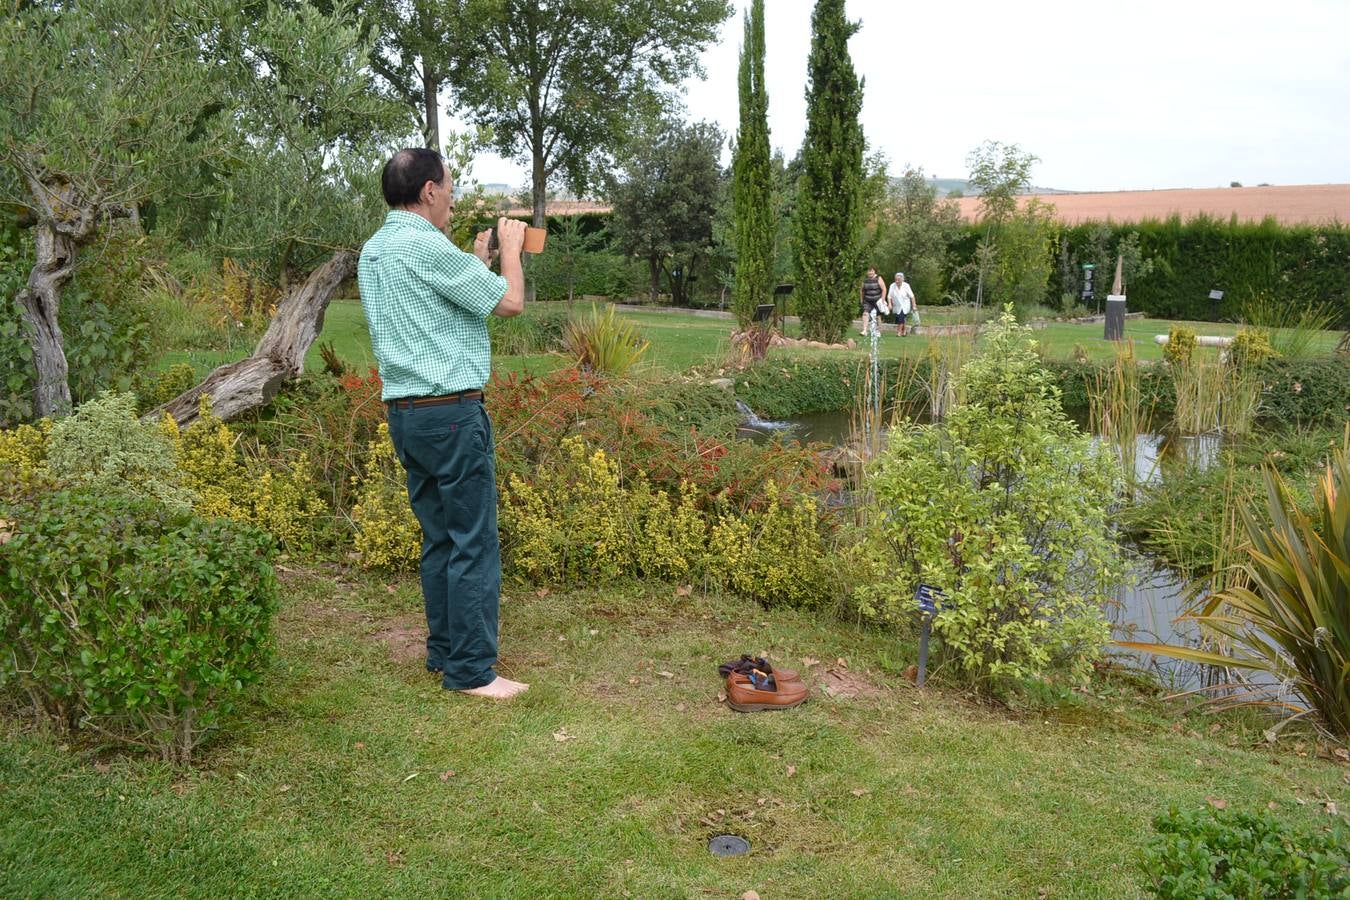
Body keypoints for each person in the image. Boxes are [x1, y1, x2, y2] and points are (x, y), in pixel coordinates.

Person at [358, 148, 530, 701]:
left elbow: (437, 310)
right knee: (473, 542)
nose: (453, 199)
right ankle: (473, 671)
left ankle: (444, 653)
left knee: (439, 539)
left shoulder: (376, 249)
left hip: (406, 416)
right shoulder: (425, 243)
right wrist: (510, 253)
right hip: (453, 415)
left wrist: (474, 261)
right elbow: (509, 304)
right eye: (450, 188)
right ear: (429, 190)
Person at [859, 266, 886, 335]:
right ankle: (865, 330)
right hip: (867, 300)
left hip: (877, 300)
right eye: (869, 271)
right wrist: (861, 300)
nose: (870, 272)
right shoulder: (865, 280)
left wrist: (882, 300)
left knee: (878, 316)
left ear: (874, 271)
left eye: (872, 271)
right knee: (865, 313)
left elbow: (884, 289)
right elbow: (862, 291)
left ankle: (878, 331)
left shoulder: (878, 278)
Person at [889, 272, 917, 336]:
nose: (897, 281)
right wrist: (890, 304)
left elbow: (912, 296)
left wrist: (914, 305)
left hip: (905, 305)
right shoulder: (892, 285)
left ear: (902, 280)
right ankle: (904, 331)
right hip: (896, 305)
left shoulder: (906, 286)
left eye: (898, 280)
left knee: (901, 316)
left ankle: (899, 332)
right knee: (900, 318)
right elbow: (889, 296)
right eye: (896, 279)